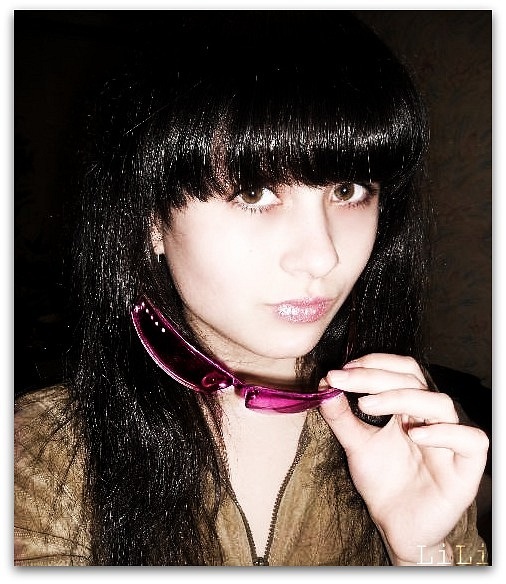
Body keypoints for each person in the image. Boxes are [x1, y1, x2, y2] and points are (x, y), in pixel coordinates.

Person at [14, 11, 489, 566]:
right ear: (151, 221)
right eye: (255, 192)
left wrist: (422, 555)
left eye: (348, 189)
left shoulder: (409, 426)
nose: (323, 256)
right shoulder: (39, 457)